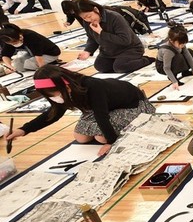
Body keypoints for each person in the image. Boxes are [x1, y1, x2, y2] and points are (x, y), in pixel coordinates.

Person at [5, 66, 155, 156]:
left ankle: (111, 136)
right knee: (81, 137)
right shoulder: (65, 92)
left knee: (101, 138)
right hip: (106, 107)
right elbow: (54, 114)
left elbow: (101, 116)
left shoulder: (92, 86)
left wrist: (111, 142)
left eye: (54, 94)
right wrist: (24, 130)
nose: (54, 98)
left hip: (132, 104)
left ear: (66, 87)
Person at [75, 0, 153, 73]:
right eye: (84, 18)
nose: (88, 20)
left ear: (96, 9)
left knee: (120, 67)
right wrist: (88, 51)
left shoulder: (114, 17)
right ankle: (121, 61)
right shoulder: (87, 23)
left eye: (89, 16)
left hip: (129, 48)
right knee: (100, 66)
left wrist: (101, 33)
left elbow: (125, 40)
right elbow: (92, 38)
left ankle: (146, 60)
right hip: (109, 51)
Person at [156, 26, 193, 91]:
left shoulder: (180, 43)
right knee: (179, 57)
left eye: (184, 43)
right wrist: (174, 81)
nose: (182, 45)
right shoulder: (167, 51)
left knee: (189, 52)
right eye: (181, 44)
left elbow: (188, 56)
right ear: (171, 40)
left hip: (172, 61)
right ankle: (173, 77)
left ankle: (185, 71)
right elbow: (166, 68)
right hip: (162, 66)